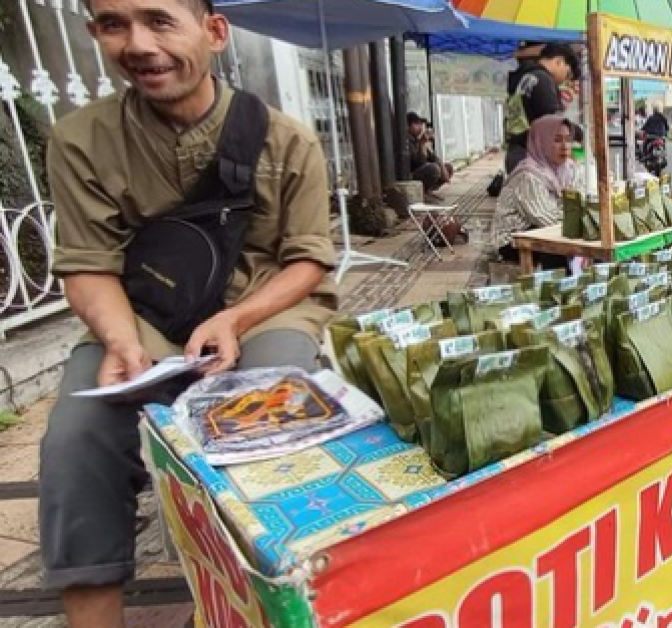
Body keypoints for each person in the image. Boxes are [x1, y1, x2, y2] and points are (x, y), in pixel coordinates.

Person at [41, 0, 337, 625]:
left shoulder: (289, 140)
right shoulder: (79, 141)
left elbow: (308, 262)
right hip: (137, 315)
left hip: (262, 311)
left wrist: (237, 319)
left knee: (265, 423)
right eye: (113, 24)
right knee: (76, 444)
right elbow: (88, 265)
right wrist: (122, 343)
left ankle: (272, 594)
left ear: (215, 33)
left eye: (159, 20)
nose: (139, 44)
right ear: (95, 33)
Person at [495, 115, 578, 269]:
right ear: (541, 142)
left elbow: (578, 200)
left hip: (543, 229)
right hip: (514, 238)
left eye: (568, 139)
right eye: (557, 140)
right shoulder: (528, 175)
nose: (565, 146)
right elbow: (546, 218)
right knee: (557, 248)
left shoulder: (568, 168)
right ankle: (558, 291)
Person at [504, 42, 580, 174]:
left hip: (517, 151)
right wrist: (579, 133)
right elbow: (553, 124)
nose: (564, 81)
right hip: (531, 157)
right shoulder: (543, 80)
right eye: (567, 74)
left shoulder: (525, 76)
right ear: (559, 62)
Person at [407, 111, 453, 201]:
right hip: (410, 177)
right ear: (408, 126)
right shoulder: (407, 141)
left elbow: (433, 157)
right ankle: (422, 193)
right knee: (434, 169)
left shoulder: (416, 139)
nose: (420, 127)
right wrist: (422, 144)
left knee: (448, 167)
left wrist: (443, 167)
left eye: (421, 124)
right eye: (417, 124)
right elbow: (419, 163)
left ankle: (428, 191)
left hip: (420, 172)